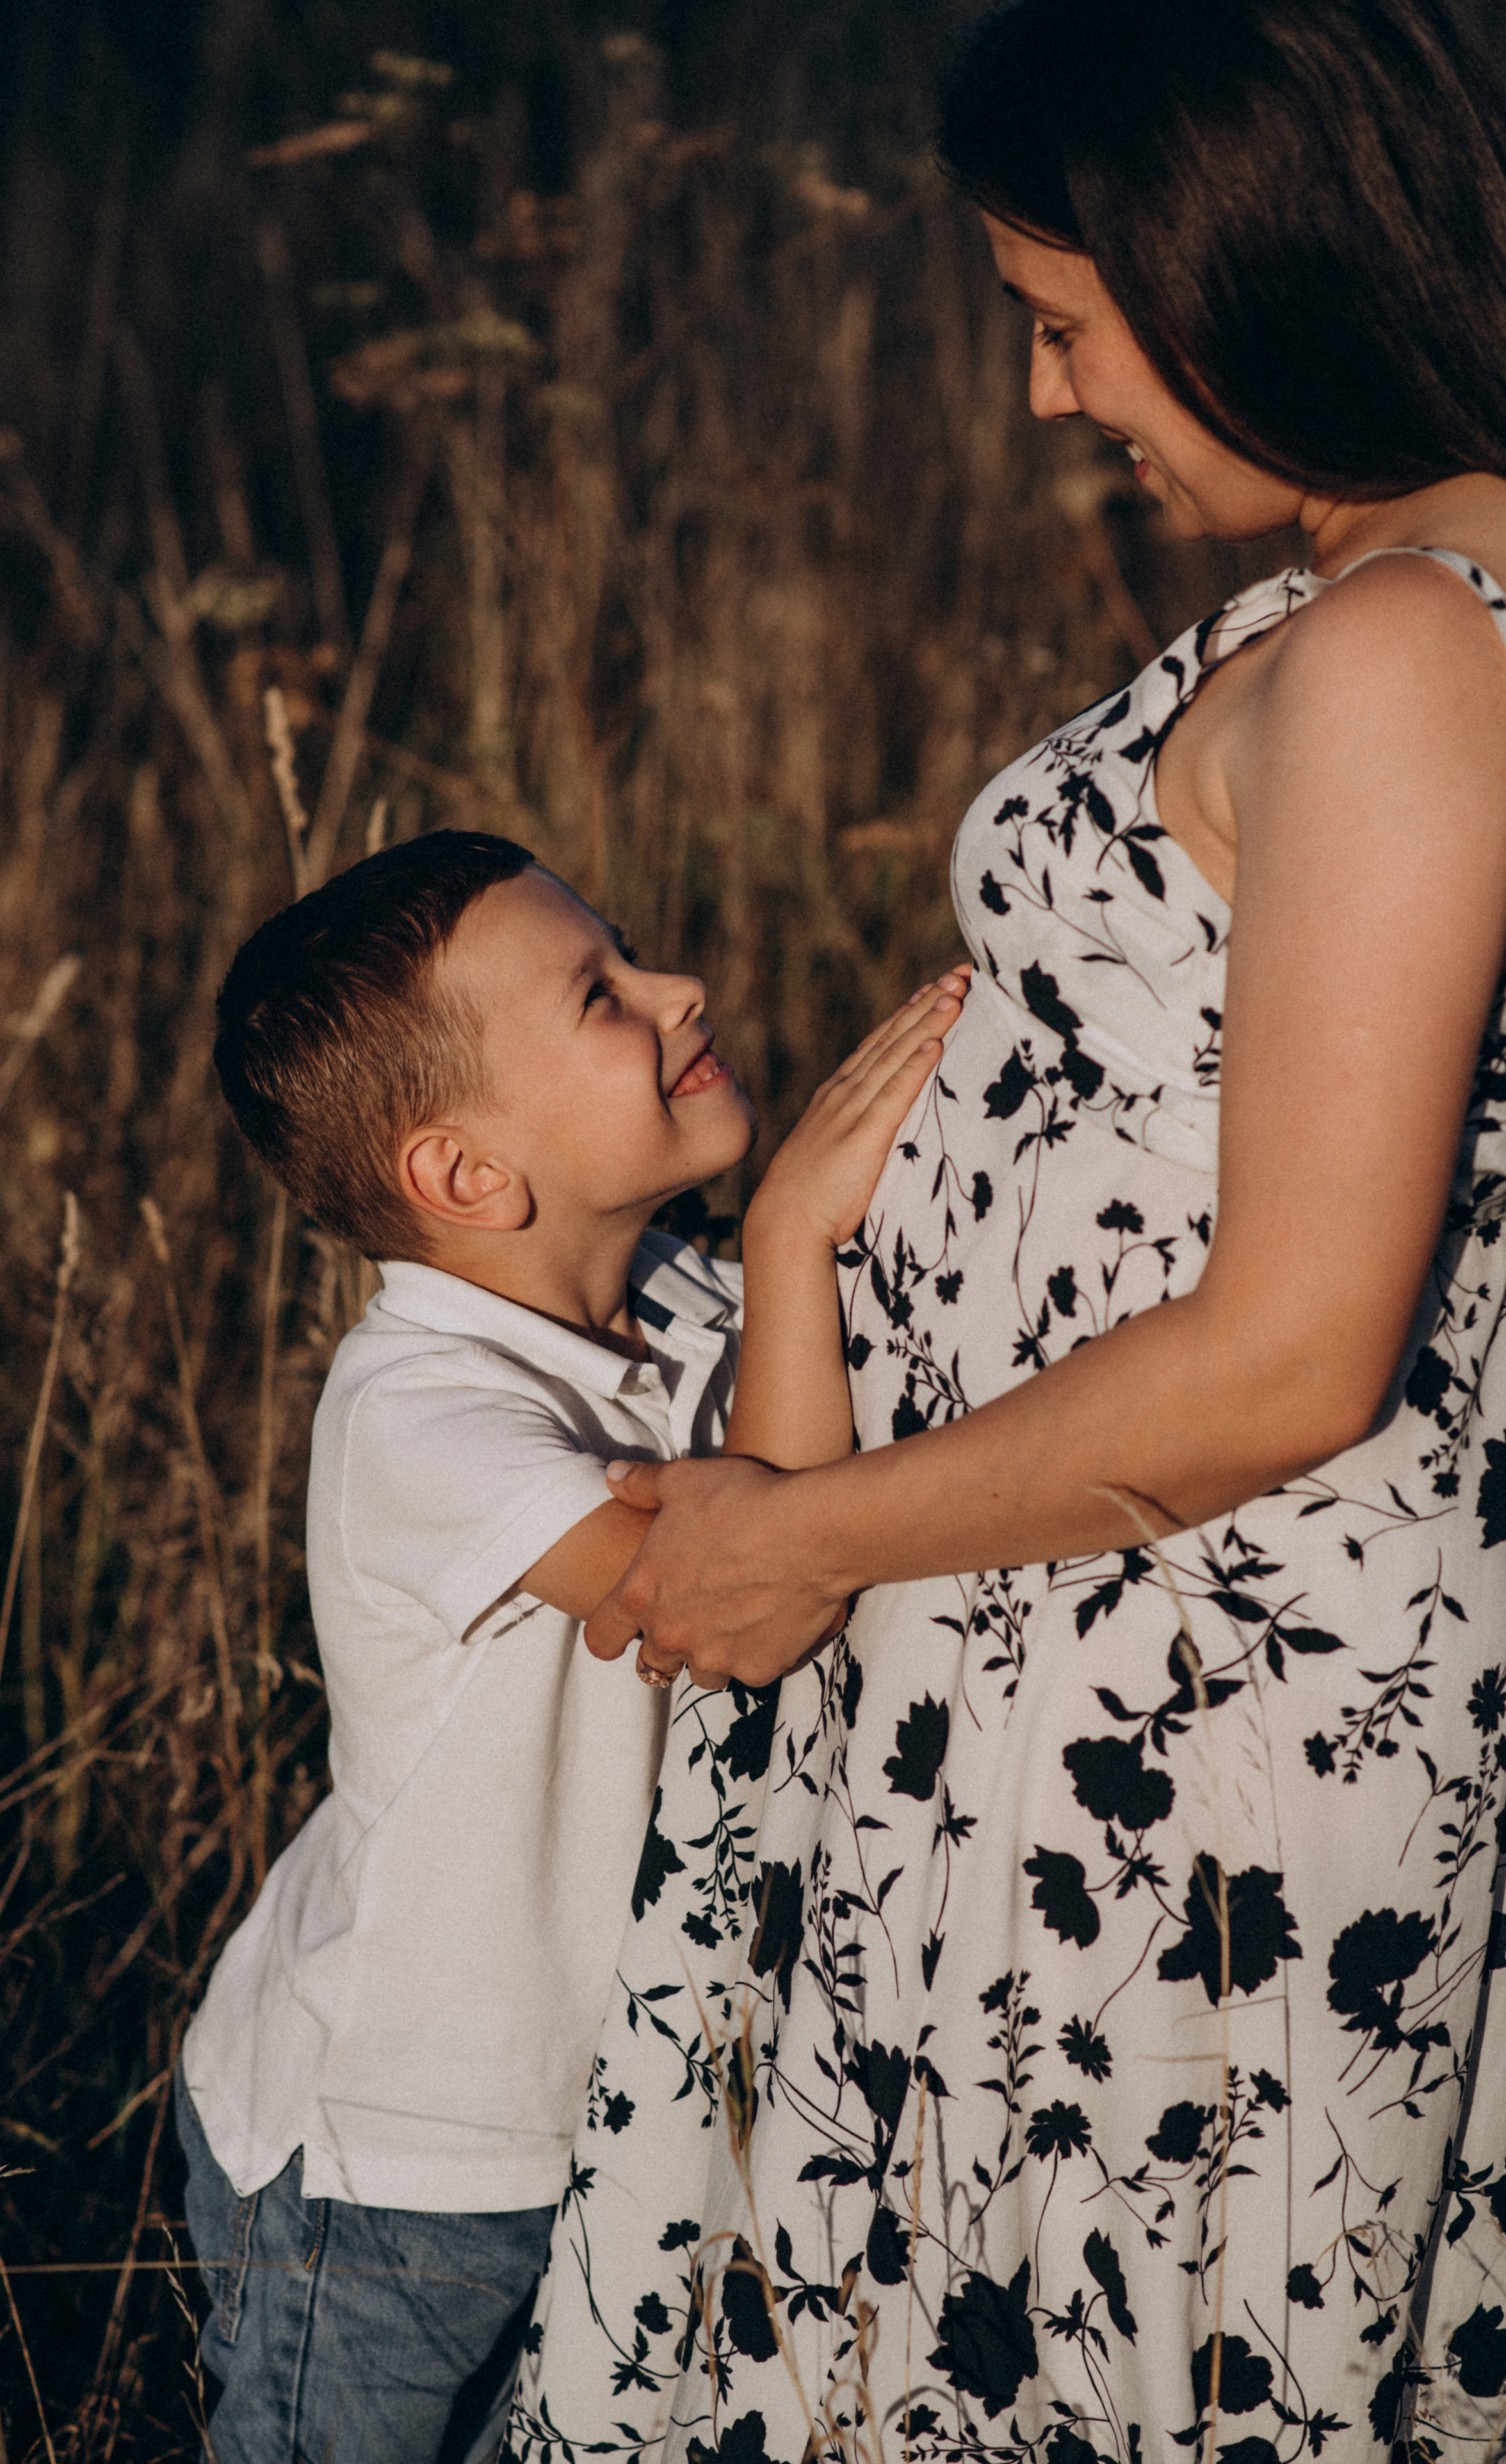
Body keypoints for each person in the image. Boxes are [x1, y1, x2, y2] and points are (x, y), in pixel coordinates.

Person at [502, 3, 1506, 2458]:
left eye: (1068, 325)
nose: (1053, 401)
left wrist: (806, 1535)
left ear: (1244, 273)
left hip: (1192, 1704)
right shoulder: (1389, 609)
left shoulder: (1408, 650)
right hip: (1110, 1636)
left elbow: (1293, 1347)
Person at [175, 827, 964, 2463]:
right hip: (393, 2151)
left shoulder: (668, 1301)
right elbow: (736, 1599)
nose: (680, 987)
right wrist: (787, 1238)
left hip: (610, 2110)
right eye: (602, 994)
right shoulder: (419, 1410)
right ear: (467, 1176)